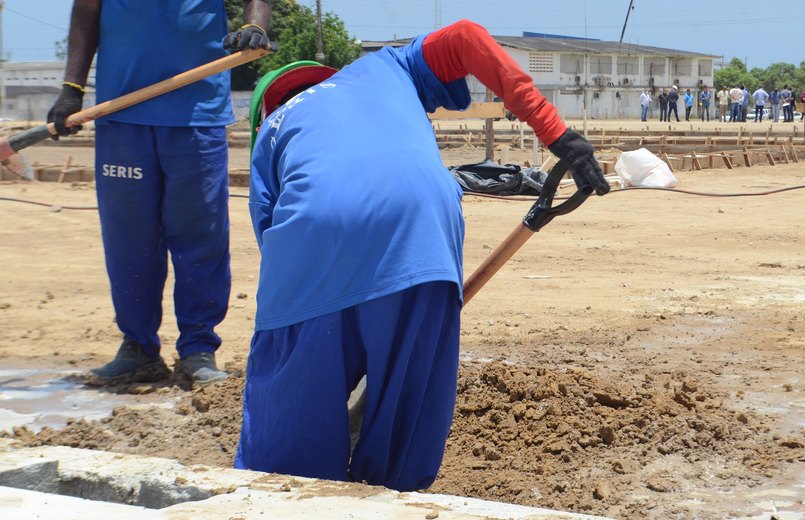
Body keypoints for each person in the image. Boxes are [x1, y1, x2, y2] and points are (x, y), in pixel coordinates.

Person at [234, 19, 610, 492]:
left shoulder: (272, 126)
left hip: (314, 243)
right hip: (423, 235)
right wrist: (558, 136)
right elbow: (469, 37)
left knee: (281, 466)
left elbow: (273, 244)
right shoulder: (384, 68)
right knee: (401, 442)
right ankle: (392, 486)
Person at [47, 0, 274, 385]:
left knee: (201, 236)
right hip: (121, 113)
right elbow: (86, 9)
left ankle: (198, 349)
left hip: (196, 113)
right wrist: (72, 87)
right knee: (128, 238)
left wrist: (256, 27)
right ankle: (137, 348)